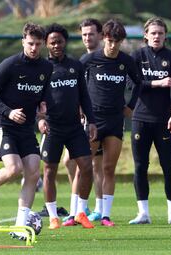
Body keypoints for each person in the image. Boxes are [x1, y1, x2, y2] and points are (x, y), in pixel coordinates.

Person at [0, 22, 53, 239]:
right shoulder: (10, 64)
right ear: (23, 42)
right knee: (14, 168)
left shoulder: (46, 68)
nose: (34, 48)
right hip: (4, 125)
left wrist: (42, 110)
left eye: (38, 44)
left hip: (26, 128)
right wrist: (9, 112)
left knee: (32, 170)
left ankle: (20, 226)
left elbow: (43, 96)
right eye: (30, 43)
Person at [80, 19, 141, 227]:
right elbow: (76, 83)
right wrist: (80, 109)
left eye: (117, 41)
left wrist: (130, 106)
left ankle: (105, 215)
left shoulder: (126, 61)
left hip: (115, 120)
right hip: (94, 120)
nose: (113, 45)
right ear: (103, 38)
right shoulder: (90, 59)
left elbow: (139, 83)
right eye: (110, 40)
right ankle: (79, 212)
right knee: (86, 166)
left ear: (121, 41)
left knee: (108, 168)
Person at [39, 23, 97, 229]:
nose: (56, 45)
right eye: (52, 42)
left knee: (87, 167)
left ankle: (81, 212)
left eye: (60, 41)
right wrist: (40, 118)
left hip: (74, 127)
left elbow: (84, 96)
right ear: (46, 44)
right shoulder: (42, 68)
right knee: (49, 171)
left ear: (65, 42)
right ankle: (53, 216)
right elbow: (35, 98)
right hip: (52, 128)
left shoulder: (75, 66)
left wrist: (90, 121)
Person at [128, 17, 171, 225]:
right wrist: (159, 82)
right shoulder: (136, 56)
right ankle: (143, 213)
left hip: (164, 120)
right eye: (153, 33)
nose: (157, 36)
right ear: (146, 35)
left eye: (160, 33)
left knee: (169, 167)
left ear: (165, 35)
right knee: (140, 166)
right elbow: (135, 85)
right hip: (141, 119)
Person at [62, 18, 105, 224]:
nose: (88, 37)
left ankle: (97, 208)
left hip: (101, 118)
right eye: (84, 34)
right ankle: (82, 204)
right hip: (80, 118)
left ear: (100, 35)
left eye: (91, 33)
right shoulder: (81, 61)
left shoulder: (106, 58)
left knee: (97, 164)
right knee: (70, 161)